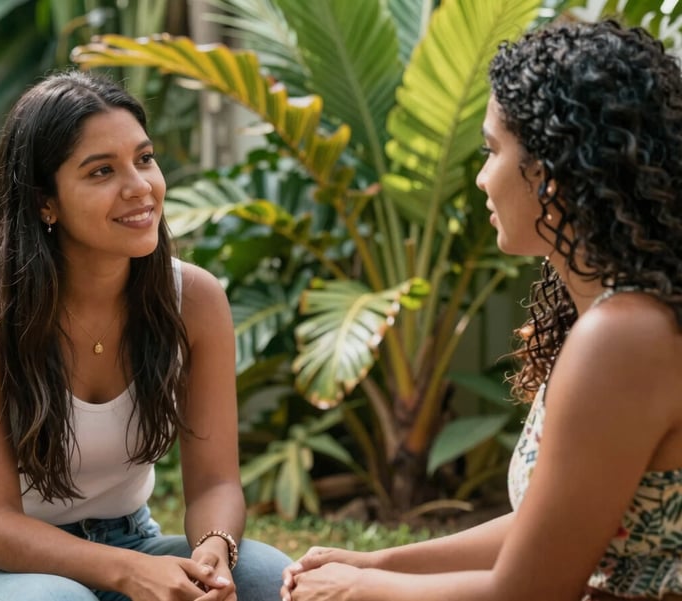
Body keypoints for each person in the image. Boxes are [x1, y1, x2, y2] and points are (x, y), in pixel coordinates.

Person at [281, 18, 682, 601]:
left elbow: (530, 589)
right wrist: (380, 559)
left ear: (551, 173)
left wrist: (361, 589)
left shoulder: (624, 337)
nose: (480, 177)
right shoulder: (624, 314)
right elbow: (551, 529)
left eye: (492, 151)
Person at [0, 69, 291, 601]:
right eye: (100, 171)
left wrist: (212, 549)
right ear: (46, 202)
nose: (140, 187)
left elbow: (215, 483)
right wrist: (125, 573)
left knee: (269, 579)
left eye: (144, 158)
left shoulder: (195, 301)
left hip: (129, 540)